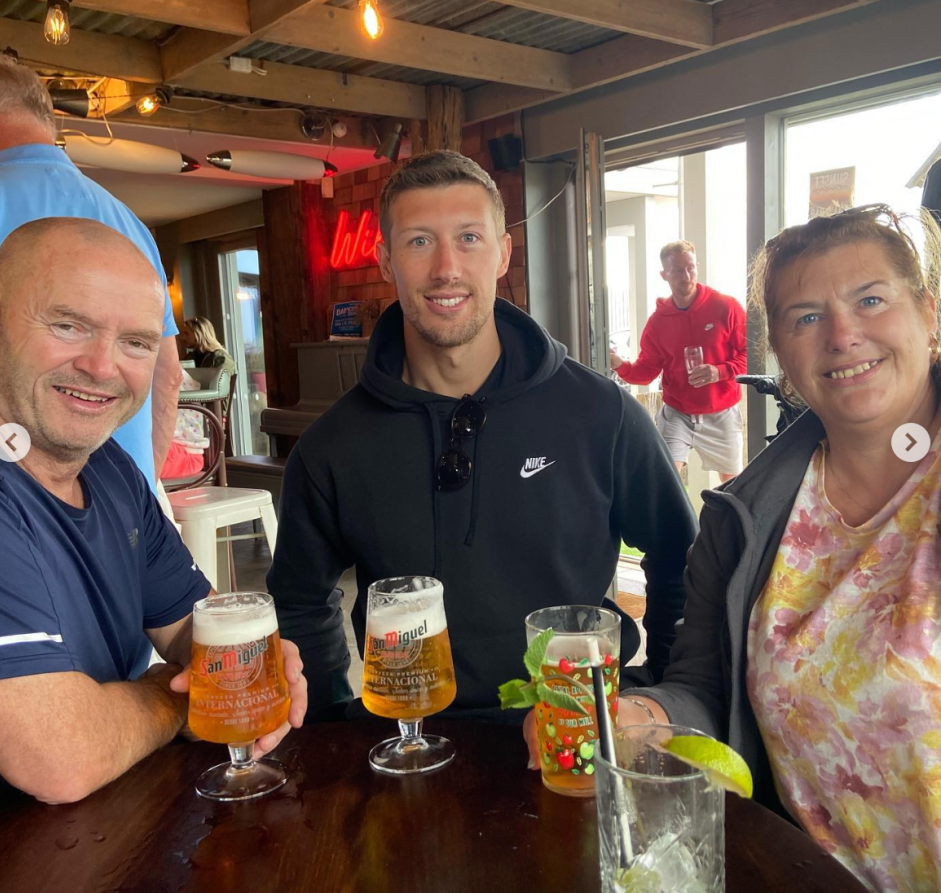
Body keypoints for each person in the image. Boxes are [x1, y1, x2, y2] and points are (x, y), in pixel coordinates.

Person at [268, 150, 698, 723]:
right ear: (384, 259)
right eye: (419, 241)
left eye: (469, 237)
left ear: (503, 253)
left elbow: (682, 561)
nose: (446, 267)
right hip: (406, 744)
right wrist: (329, 724)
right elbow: (300, 599)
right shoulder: (332, 445)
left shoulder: (601, 412)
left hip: (572, 739)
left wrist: (659, 693)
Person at [607, 205, 941, 892]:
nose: (844, 335)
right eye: (807, 316)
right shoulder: (741, 519)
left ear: (929, 313)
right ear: (783, 356)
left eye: (871, 299)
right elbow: (705, 686)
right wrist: (642, 716)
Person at [0, 218, 307, 804]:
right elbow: (60, 758)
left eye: (135, 341)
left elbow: (190, 627)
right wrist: (182, 696)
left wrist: (243, 664)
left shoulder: (109, 472)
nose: (102, 368)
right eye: (67, 324)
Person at [0, 51, 181, 492]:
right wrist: (142, 488)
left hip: (6, 510)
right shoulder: (130, 224)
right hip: (127, 507)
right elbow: (167, 374)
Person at [612, 241, 746, 482]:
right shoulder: (658, 322)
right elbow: (645, 372)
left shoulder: (726, 307)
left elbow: (751, 356)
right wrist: (619, 364)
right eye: (677, 271)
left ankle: (722, 521)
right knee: (665, 481)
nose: (687, 276)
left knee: (732, 489)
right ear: (664, 275)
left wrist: (720, 372)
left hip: (721, 411)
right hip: (678, 413)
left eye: (691, 268)